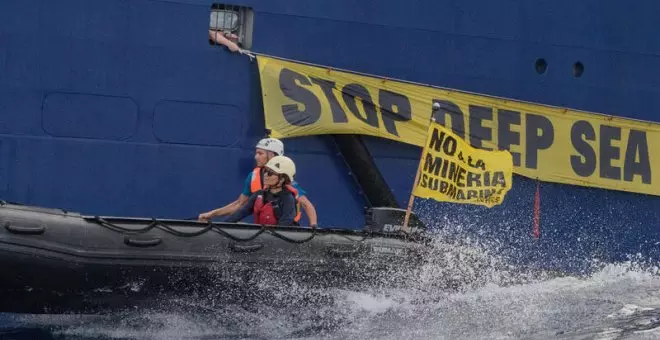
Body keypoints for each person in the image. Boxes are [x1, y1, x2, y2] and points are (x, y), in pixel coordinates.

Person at [198, 138, 318, 227]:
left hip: (283, 230)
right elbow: (240, 205)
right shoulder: (253, 177)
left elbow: (306, 205)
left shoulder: (287, 185)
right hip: (262, 229)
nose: (256, 157)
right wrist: (212, 214)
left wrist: (313, 226)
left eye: (260, 153)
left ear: (272, 155)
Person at [224, 156, 298, 226]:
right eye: (265, 171)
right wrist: (224, 224)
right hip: (263, 234)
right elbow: (242, 212)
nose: (265, 175)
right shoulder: (260, 195)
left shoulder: (288, 199)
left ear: (282, 179)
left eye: (270, 173)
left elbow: (286, 222)